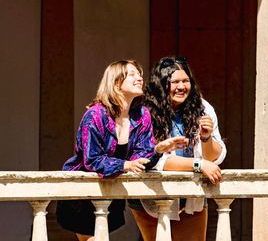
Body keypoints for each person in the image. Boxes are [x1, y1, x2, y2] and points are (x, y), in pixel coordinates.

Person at [56, 60, 178, 241]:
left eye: (140, 74)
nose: (139, 78)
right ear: (115, 82)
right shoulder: (95, 115)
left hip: (111, 195)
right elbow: (92, 160)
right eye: (132, 74)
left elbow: (141, 159)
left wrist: (157, 151)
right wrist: (125, 164)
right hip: (82, 198)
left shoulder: (142, 115)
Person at [128, 56, 227, 241]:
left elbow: (215, 157)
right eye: (175, 82)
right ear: (162, 83)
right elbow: (155, 160)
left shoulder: (203, 108)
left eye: (186, 81)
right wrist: (198, 164)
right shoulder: (145, 111)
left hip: (192, 196)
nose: (181, 87)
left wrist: (206, 138)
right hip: (153, 195)